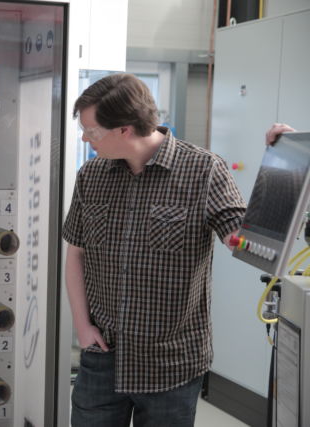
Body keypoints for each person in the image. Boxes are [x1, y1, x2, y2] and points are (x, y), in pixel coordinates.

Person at [63, 72, 293, 427]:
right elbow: (76, 253)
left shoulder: (203, 171)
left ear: (124, 129)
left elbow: (248, 244)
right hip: (103, 354)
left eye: (92, 132)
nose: (85, 138)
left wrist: (283, 169)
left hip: (171, 363)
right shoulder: (92, 176)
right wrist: (81, 324)